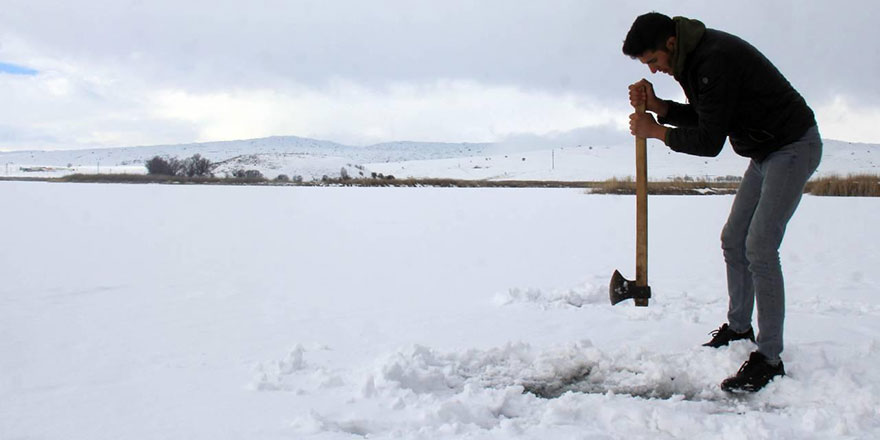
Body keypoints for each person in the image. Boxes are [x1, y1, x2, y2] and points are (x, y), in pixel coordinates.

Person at [622, 12, 822, 392]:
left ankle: (770, 358)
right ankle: (739, 326)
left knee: (760, 247)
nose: (653, 68)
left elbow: (709, 141)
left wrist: (656, 131)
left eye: (652, 61)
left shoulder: (713, 58)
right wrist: (661, 107)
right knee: (734, 239)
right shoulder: (691, 58)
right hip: (764, 153)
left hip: (793, 147)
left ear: (670, 43)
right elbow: (706, 115)